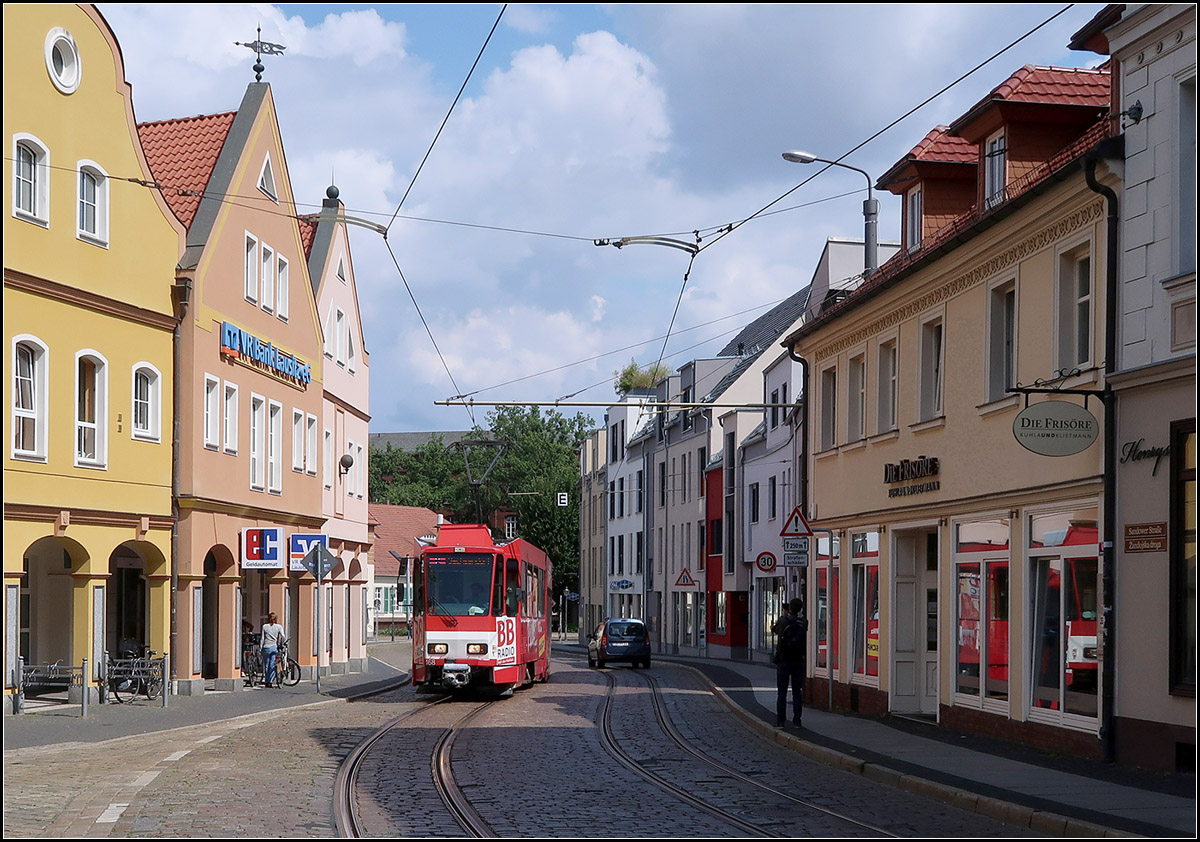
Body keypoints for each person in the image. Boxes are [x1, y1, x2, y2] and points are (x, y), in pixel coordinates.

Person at [773, 597, 808, 728]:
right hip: (798, 660)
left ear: (789, 608)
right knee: (797, 692)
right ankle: (797, 721)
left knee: (782, 692)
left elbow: (775, 630)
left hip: (784, 660)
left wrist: (784, 615)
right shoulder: (804, 622)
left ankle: (780, 721)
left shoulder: (783, 621)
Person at [261, 612, 285, 688]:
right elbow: (283, 636)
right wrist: (281, 643)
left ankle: (267, 681)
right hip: (274, 647)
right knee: (272, 665)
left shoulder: (264, 626)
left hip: (266, 647)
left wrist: (260, 647)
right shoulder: (278, 627)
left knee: (266, 665)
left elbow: (262, 638)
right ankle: (270, 681)